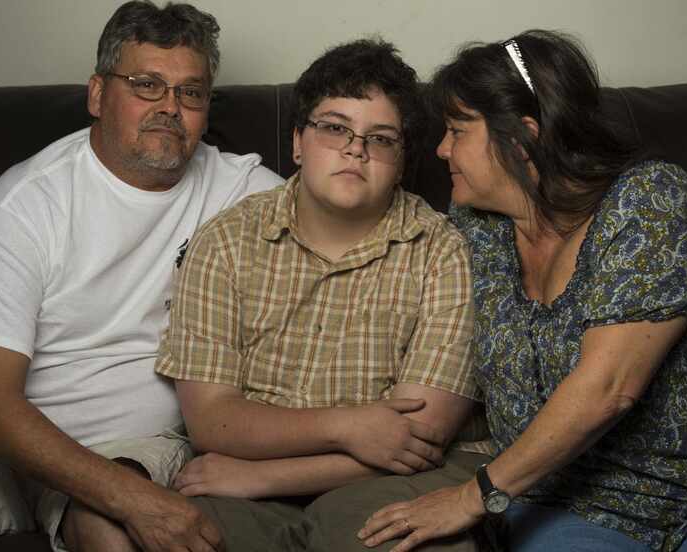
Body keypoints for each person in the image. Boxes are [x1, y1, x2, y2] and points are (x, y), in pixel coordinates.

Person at [358, 29, 687, 552]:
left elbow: (609, 389)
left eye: (457, 131)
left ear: (523, 138)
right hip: (568, 502)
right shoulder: (477, 229)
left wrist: (474, 495)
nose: (441, 150)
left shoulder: (652, 204)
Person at [0, 1, 282, 551]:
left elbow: (352, 214)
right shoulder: (30, 200)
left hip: (133, 444)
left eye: (191, 92)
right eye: (147, 85)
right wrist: (136, 502)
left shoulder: (241, 189)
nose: (170, 108)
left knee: (110, 528)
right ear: (99, 95)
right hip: (2, 439)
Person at [154, 38, 493, 552]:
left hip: (391, 482)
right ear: (296, 142)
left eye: (380, 139)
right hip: (245, 479)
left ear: (402, 161)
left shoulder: (443, 250)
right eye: (334, 128)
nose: (355, 148)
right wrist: (346, 425)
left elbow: (420, 439)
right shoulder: (224, 241)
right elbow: (212, 419)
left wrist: (268, 478)